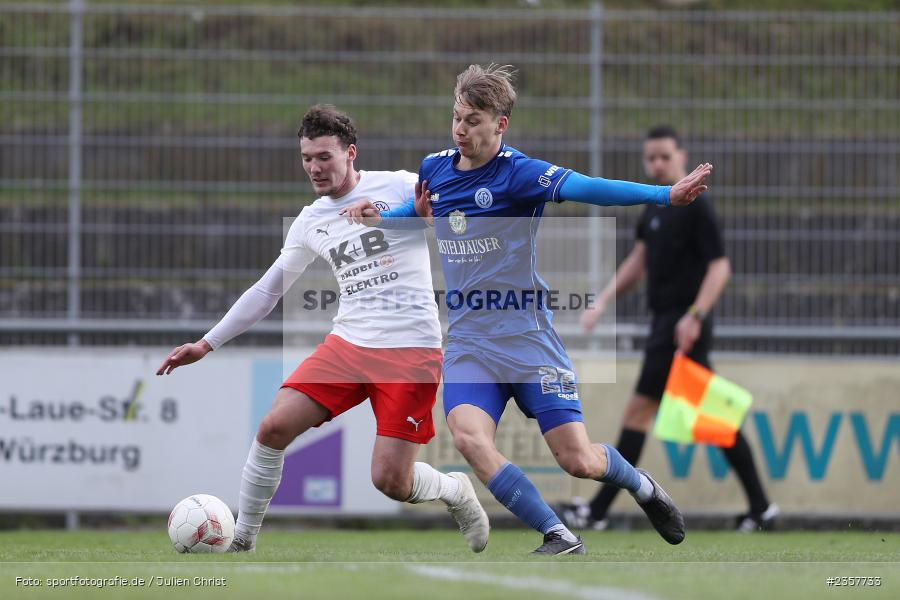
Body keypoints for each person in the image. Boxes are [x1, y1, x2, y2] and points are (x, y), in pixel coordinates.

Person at [342, 64, 713, 555]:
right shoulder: (435, 168)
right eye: (456, 117)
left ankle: (642, 486)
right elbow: (424, 211)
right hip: (471, 342)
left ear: (501, 124)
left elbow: (588, 187)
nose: (460, 129)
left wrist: (663, 194)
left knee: (578, 459)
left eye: (473, 120)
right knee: (470, 438)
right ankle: (557, 533)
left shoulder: (520, 174)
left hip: (528, 337)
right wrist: (383, 218)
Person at [156, 105, 490, 553]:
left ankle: (455, 491)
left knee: (391, 481)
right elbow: (267, 290)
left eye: (324, 157)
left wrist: (430, 217)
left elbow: (460, 208)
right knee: (274, 426)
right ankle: (244, 540)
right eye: (307, 158)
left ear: (350, 153)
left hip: (411, 351)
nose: (314, 167)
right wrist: (206, 343)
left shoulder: (399, 184)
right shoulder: (310, 220)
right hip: (348, 346)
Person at [565, 125, 778, 533]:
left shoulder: (696, 206)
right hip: (666, 323)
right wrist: (603, 300)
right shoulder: (657, 204)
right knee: (713, 419)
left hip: (682, 326)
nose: (657, 164)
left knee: (641, 414)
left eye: (665, 156)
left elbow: (720, 266)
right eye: (651, 158)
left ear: (682, 155)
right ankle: (761, 509)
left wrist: (695, 315)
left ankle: (597, 512)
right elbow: (640, 259)